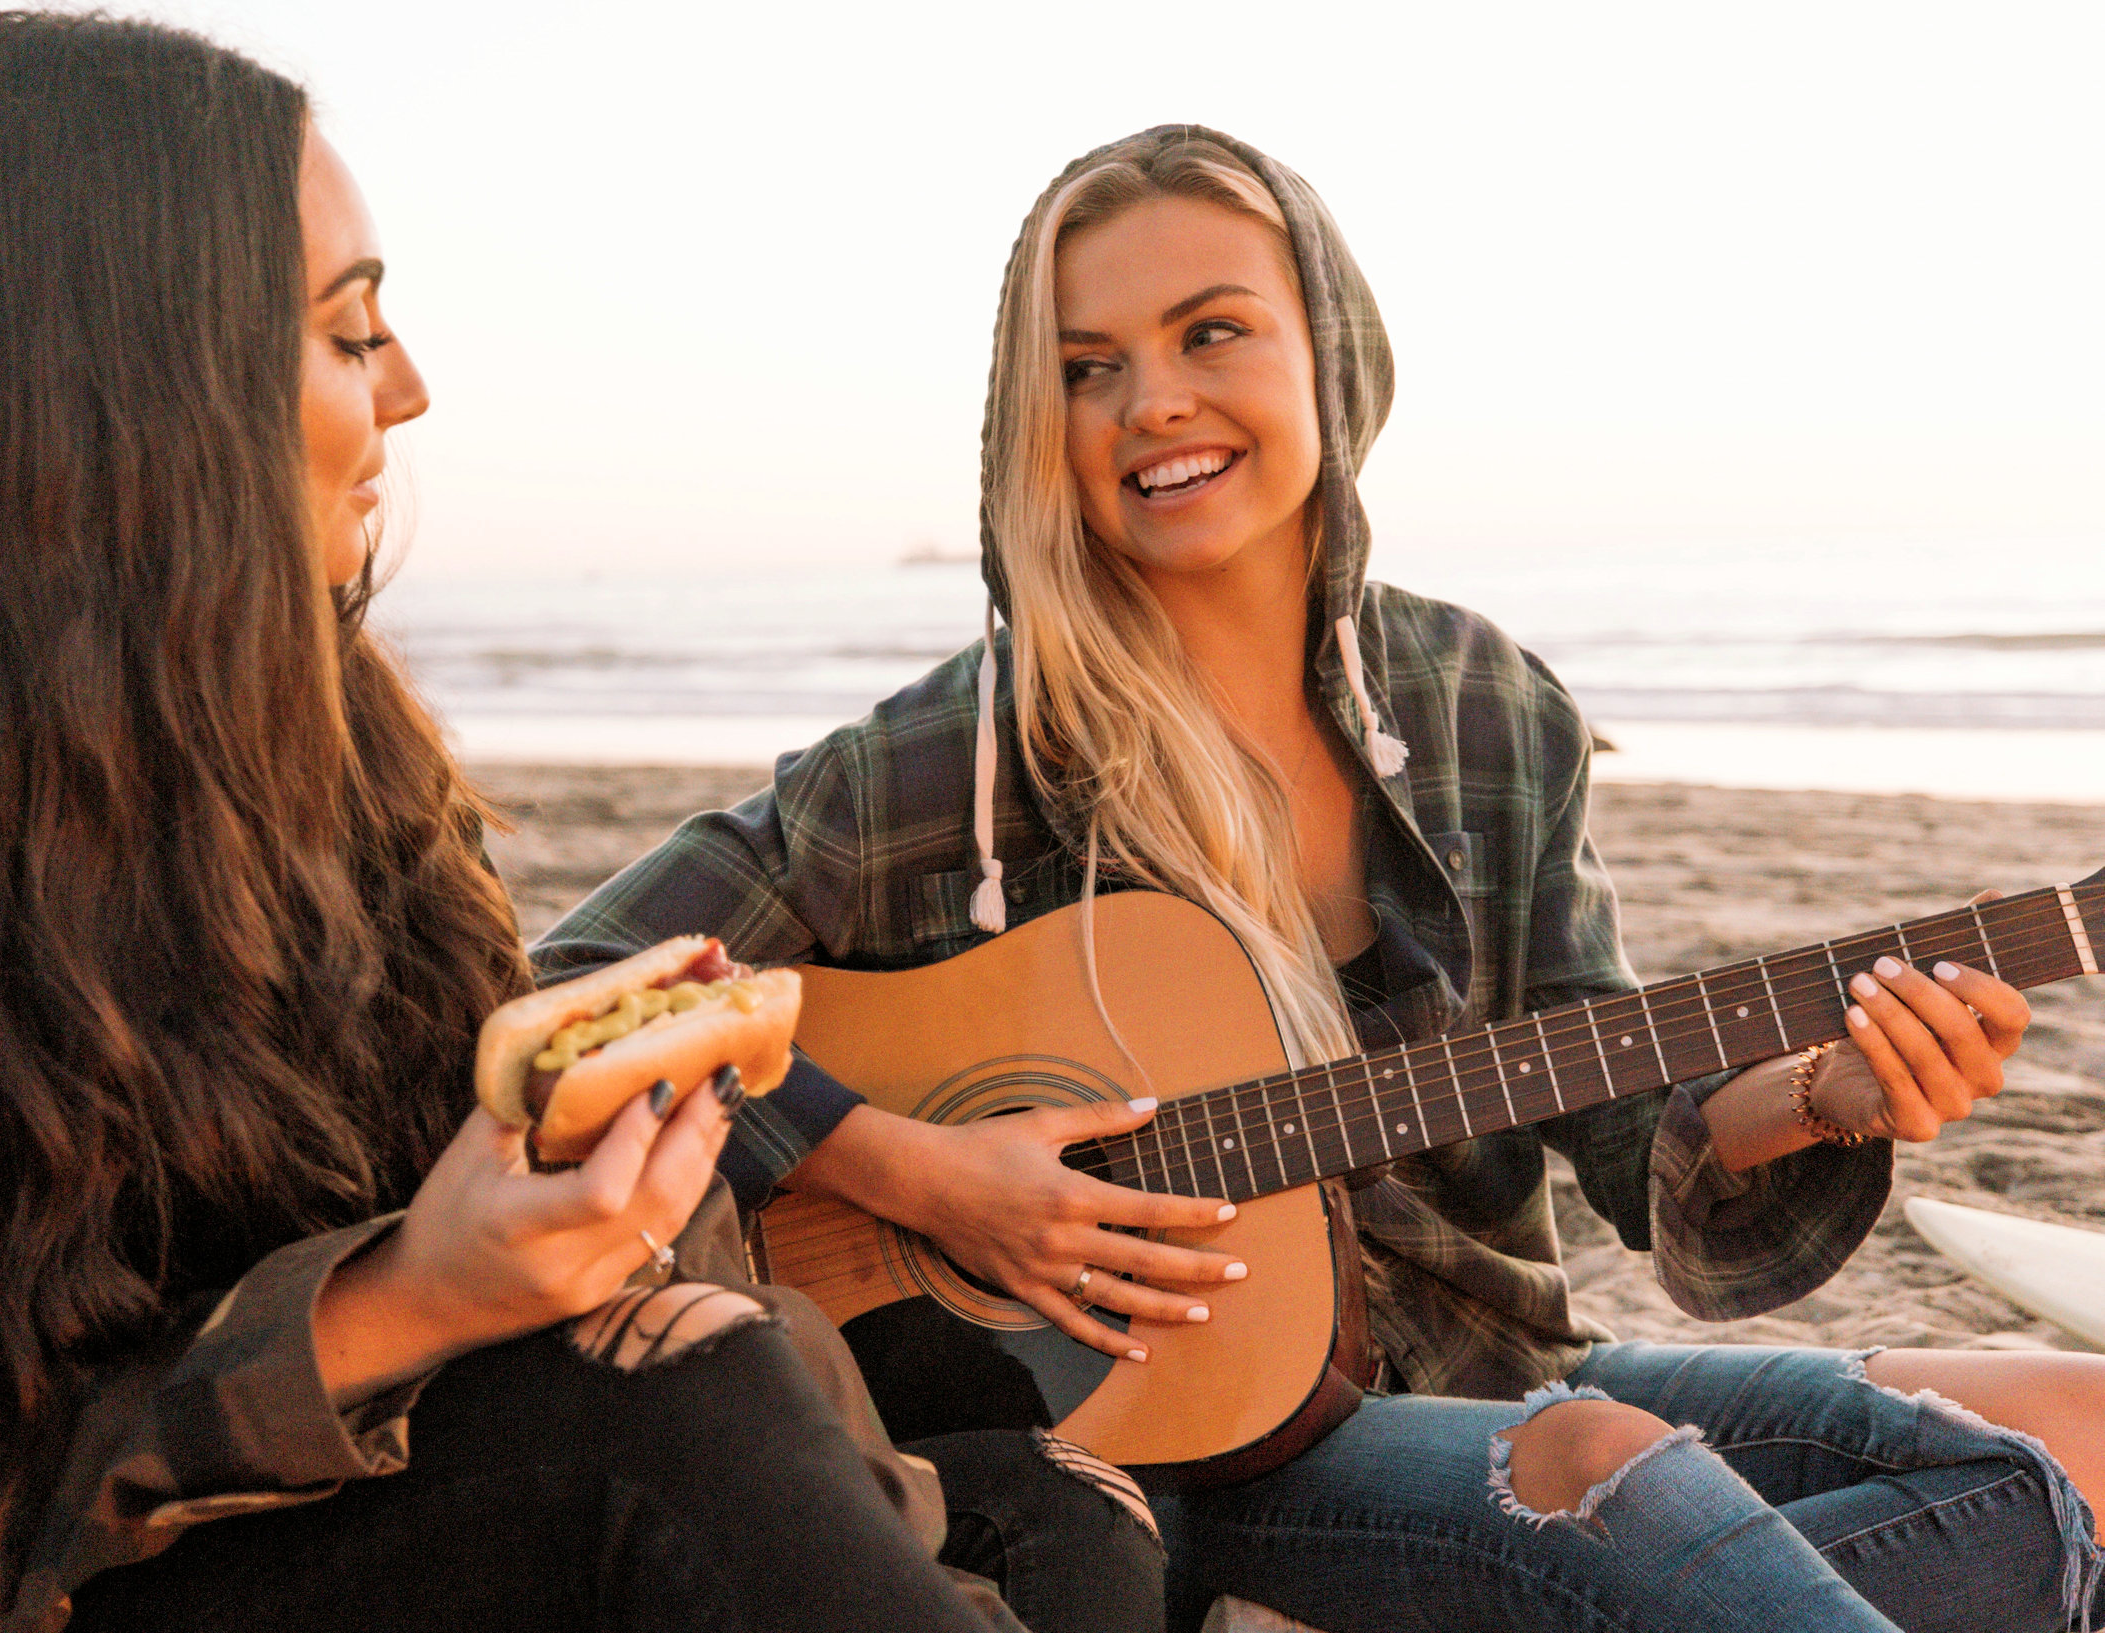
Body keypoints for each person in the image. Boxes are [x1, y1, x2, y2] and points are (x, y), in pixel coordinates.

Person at [0, 16, 1126, 1632]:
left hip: (347, 1501)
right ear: (125, 384)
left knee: (1066, 1525)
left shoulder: (326, 748)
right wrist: (395, 1305)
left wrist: (594, 1199)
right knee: (672, 1430)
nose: (409, 388)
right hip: (14, 1594)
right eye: (347, 333)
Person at [535, 125, 2105, 1633]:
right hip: (1190, 1438)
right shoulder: (957, 759)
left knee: (2066, 1447)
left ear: (1329, 354)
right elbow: (568, 996)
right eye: (1088, 367)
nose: (1152, 401)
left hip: (1494, 1365)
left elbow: (1628, 1129)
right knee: (1604, 1478)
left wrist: (1829, 1089)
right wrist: (911, 1171)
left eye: (1211, 332)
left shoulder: (1484, 703)